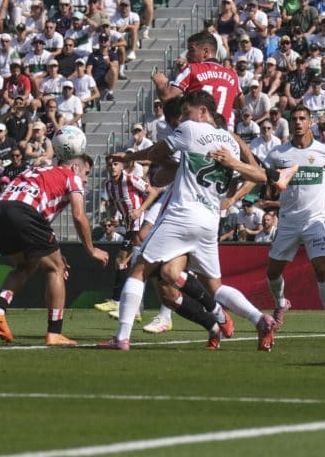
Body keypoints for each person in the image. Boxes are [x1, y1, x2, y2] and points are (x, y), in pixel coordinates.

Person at [98, 91, 276, 351]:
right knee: (214, 286)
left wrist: (129, 157)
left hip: (183, 213)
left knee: (139, 269)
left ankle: (122, 338)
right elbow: (251, 177)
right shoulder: (231, 143)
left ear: (202, 111)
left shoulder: (191, 129)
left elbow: (158, 151)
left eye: (186, 112)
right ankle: (259, 319)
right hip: (209, 220)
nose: (182, 118)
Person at [0, 155, 109, 345]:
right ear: (75, 167)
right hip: (24, 213)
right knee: (56, 269)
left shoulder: (35, 170)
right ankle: (54, 332)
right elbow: (79, 215)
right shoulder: (71, 176)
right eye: (86, 173)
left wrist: (55, 253)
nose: (85, 180)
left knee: (26, 266)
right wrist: (91, 250)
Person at [262, 105, 325, 334]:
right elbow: (260, 175)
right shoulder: (278, 154)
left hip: (314, 222)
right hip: (288, 222)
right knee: (272, 273)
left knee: (321, 270)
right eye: (294, 119)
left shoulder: (323, 151)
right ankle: (281, 303)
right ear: (290, 123)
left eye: (303, 118)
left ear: (310, 122)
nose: (298, 122)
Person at [94, 156, 161, 315]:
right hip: (130, 226)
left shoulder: (131, 179)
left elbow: (153, 192)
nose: (112, 167)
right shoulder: (109, 185)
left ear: (122, 165)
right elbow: (113, 204)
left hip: (140, 226)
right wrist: (115, 219)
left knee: (121, 260)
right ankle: (136, 309)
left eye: (115, 164)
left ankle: (117, 301)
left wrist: (140, 210)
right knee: (141, 267)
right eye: (109, 165)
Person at [152, 31, 239, 125]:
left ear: (206, 52)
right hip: (223, 132)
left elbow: (167, 97)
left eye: (191, 50)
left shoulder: (192, 69)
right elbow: (240, 104)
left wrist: (160, 83)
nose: (187, 55)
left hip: (198, 130)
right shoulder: (232, 75)